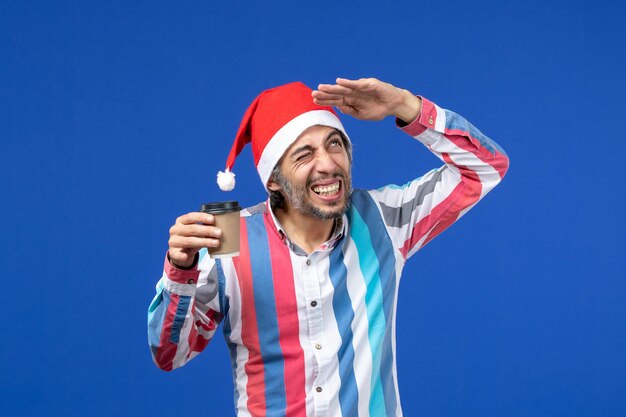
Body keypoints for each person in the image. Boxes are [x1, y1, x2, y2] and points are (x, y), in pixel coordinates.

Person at [147, 77, 509, 417]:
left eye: (334, 144)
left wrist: (404, 104)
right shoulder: (230, 241)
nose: (327, 164)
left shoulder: (384, 220)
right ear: (273, 179)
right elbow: (169, 354)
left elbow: (486, 167)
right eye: (304, 154)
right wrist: (181, 269)